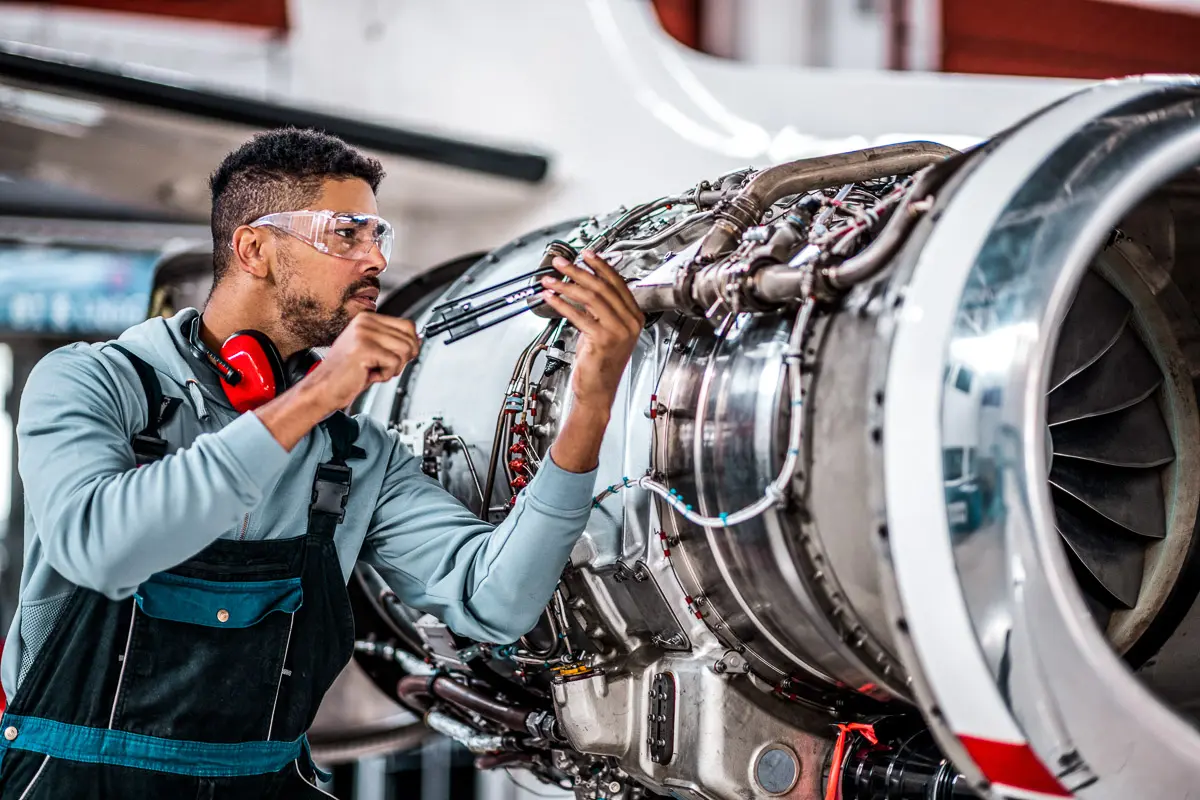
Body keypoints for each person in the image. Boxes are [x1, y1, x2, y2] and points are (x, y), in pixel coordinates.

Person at [0, 128, 643, 797]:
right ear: (254, 247)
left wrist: (591, 401)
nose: (375, 261)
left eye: (379, 237)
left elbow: (495, 600)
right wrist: (315, 396)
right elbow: (100, 548)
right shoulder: (91, 384)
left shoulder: (353, 455)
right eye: (346, 234)